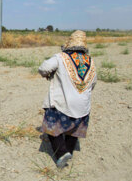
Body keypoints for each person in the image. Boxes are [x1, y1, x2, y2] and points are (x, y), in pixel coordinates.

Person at [38, 30, 97, 168]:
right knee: (73, 131)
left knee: (51, 127)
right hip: (83, 106)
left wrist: (48, 74)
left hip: (63, 103)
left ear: (69, 44)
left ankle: (62, 154)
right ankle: (69, 151)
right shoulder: (91, 61)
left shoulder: (61, 57)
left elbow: (43, 68)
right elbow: (93, 83)